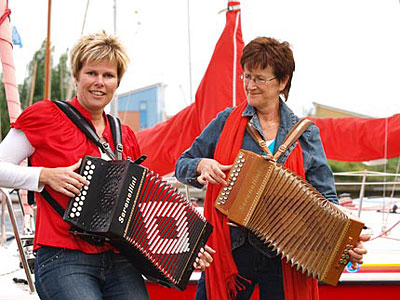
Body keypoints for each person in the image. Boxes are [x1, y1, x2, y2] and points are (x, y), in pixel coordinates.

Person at [0, 31, 213, 300]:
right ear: (76, 76)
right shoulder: (46, 115)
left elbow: (139, 209)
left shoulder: (124, 135)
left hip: (118, 259)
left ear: (117, 82)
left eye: (108, 76)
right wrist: (44, 175)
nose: (99, 82)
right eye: (91, 73)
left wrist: (187, 248)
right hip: (63, 257)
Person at [175, 36, 369, 300]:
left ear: (283, 81)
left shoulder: (305, 134)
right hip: (231, 249)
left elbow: (327, 199)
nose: (250, 86)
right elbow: (182, 164)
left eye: (260, 79)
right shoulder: (225, 122)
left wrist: (348, 241)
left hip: (286, 254)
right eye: (246, 77)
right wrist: (201, 164)